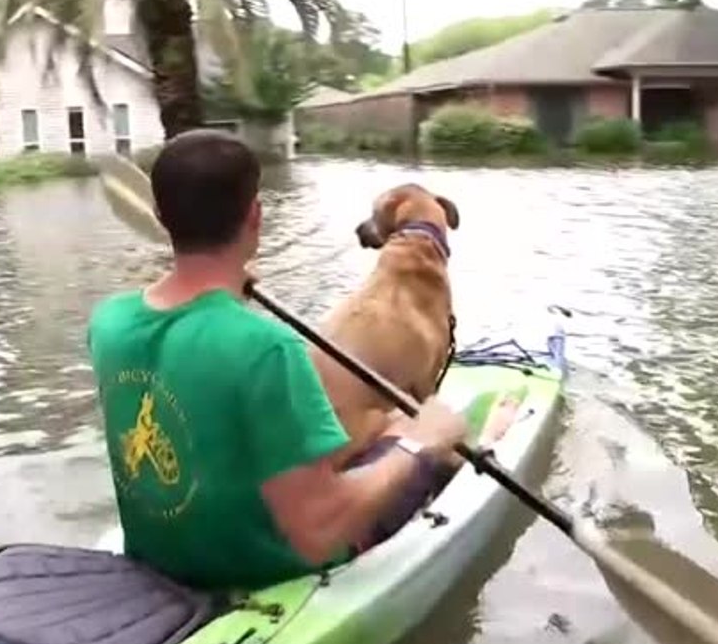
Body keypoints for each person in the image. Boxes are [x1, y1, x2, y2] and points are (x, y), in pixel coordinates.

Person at [86, 129, 470, 591]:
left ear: (163, 218)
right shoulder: (268, 349)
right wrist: (419, 443)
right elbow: (320, 532)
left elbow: (199, 353)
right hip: (267, 570)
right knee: (411, 428)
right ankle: (487, 433)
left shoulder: (108, 323)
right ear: (255, 216)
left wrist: (225, 301)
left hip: (158, 559)